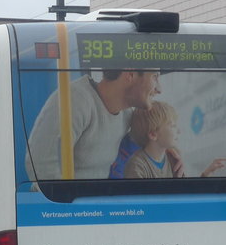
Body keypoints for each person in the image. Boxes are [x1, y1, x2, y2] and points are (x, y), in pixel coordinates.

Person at [26, 68, 160, 181]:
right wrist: (70, 207)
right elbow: (40, 164)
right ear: (130, 74)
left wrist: (169, 153)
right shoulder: (75, 99)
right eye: (155, 77)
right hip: (65, 207)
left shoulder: (126, 115)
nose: (159, 89)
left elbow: (152, 133)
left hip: (94, 204)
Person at [123, 102, 226, 179]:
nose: (179, 131)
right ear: (153, 134)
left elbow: (184, 195)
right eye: (172, 125)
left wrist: (206, 174)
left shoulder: (172, 159)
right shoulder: (137, 166)